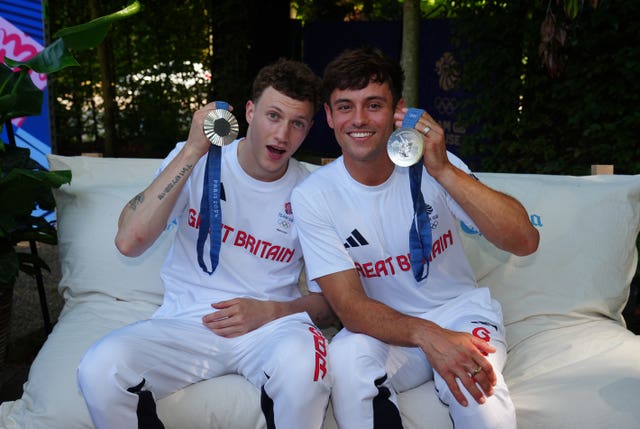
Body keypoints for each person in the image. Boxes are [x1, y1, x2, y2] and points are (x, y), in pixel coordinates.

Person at [77, 59, 334, 429]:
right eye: (273, 116)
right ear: (249, 112)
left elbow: (331, 305)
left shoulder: (313, 190)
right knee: (100, 369)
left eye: (297, 123)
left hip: (271, 329)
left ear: (309, 129)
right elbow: (129, 241)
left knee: (306, 368)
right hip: (186, 323)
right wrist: (193, 150)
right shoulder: (196, 159)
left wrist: (270, 312)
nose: (281, 135)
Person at [291, 47, 540, 429]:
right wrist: (429, 336)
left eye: (373, 105)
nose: (358, 119)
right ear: (328, 115)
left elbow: (524, 241)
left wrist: (443, 171)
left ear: (398, 111)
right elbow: (351, 309)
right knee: (343, 362)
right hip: (387, 330)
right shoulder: (314, 195)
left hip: (460, 315)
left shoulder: (437, 164)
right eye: (345, 106)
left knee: (474, 388)